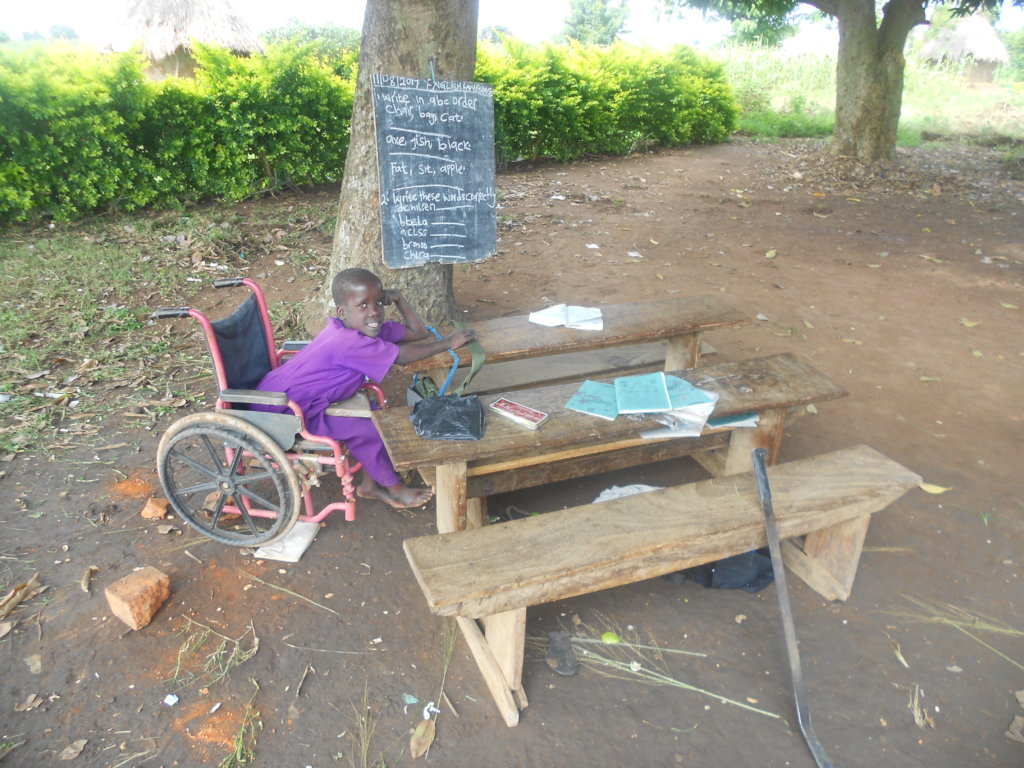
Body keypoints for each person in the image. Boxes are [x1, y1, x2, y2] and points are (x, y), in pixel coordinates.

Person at [255, 268, 475, 509]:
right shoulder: (348, 341)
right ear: (342, 312)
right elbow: (402, 356)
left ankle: (369, 486)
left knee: (373, 416)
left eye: (379, 303)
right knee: (370, 430)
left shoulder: (364, 327)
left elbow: (417, 333)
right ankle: (396, 490)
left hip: (299, 398)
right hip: (285, 411)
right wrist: (447, 343)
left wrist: (399, 299)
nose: (374, 312)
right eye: (363, 305)